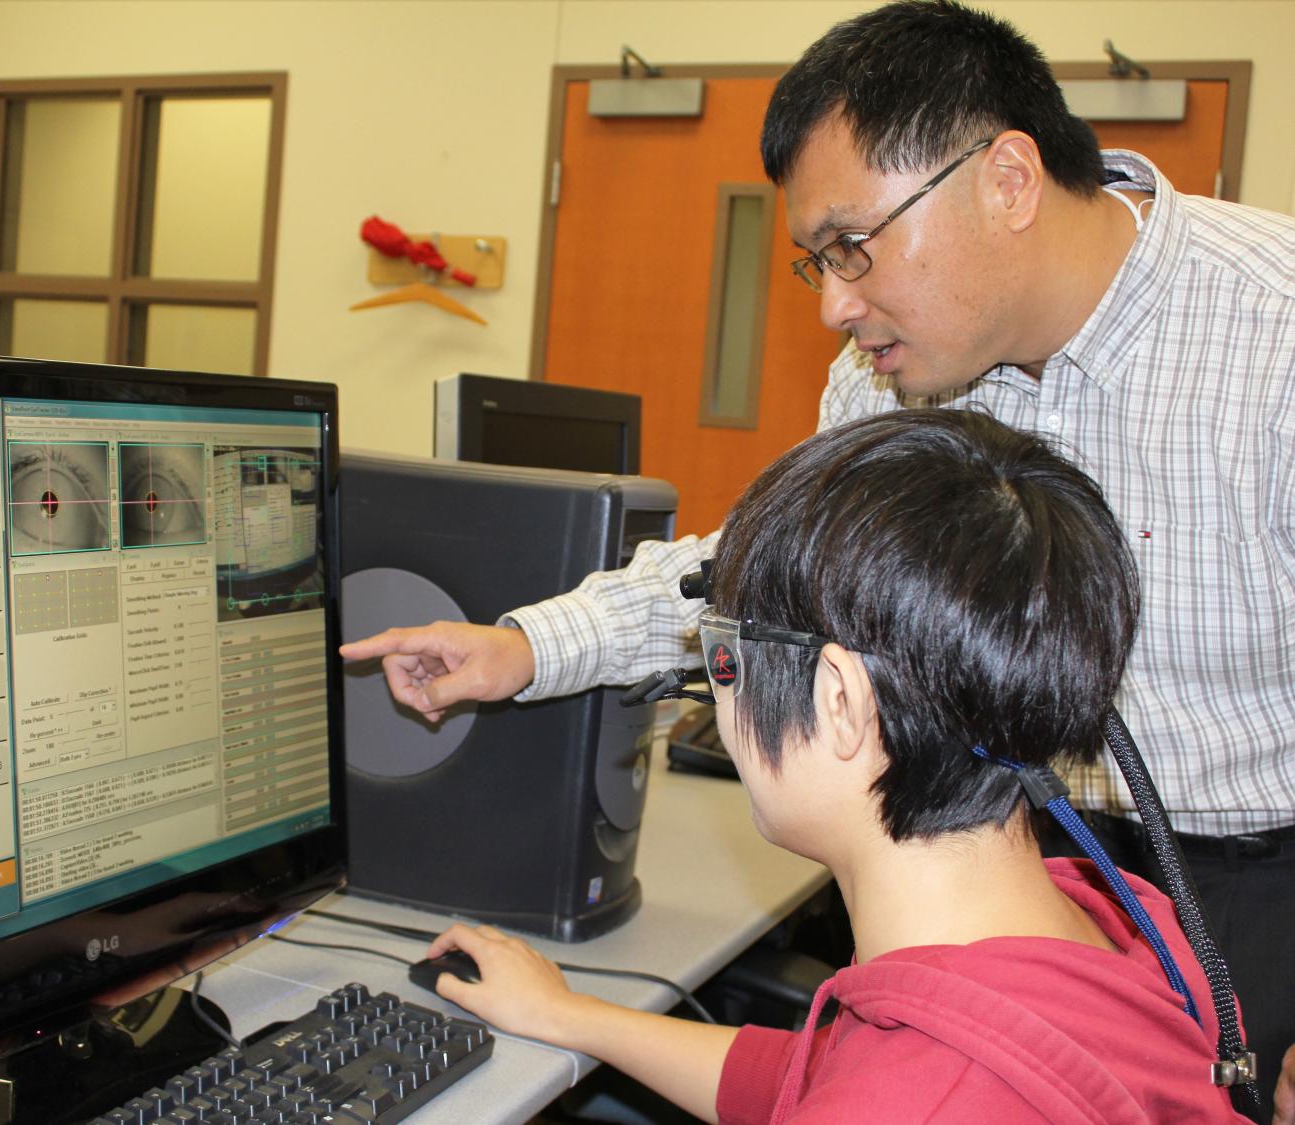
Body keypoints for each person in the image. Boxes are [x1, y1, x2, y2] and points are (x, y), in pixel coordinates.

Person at [341, 1, 1295, 1114]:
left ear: (1008, 180)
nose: (837, 305)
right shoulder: (895, 366)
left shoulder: (1270, 333)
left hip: (1254, 878)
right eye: (814, 263)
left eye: (854, 246)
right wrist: (526, 646)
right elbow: (770, 570)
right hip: (1035, 859)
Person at [415, 409, 1243, 1122]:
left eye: (723, 659)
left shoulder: (922, 1094)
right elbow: (823, 1076)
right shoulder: (1107, 922)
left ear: (841, 701)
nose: (715, 698)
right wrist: (574, 1016)